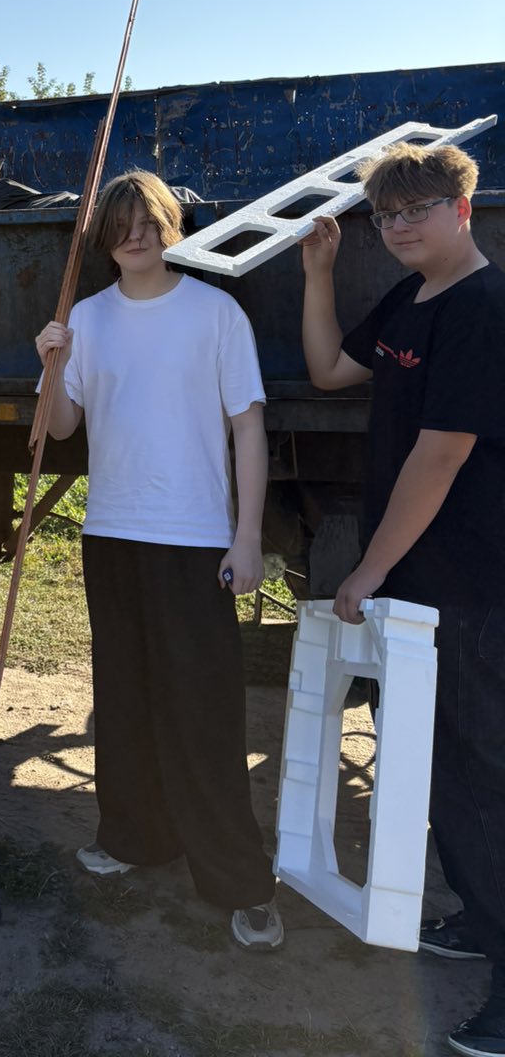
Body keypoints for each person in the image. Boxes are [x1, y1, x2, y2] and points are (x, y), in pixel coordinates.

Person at [35, 170, 283, 950]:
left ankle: (241, 881)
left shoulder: (215, 314)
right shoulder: (85, 318)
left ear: (170, 225)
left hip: (194, 537)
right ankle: (135, 837)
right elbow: (59, 428)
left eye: (147, 222)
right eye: (119, 226)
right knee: (126, 696)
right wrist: (50, 363)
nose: (134, 236)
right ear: (103, 239)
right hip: (110, 532)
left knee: (204, 711)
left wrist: (246, 536)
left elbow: (248, 428)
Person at [300, 141, 505, 1057]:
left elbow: (443, 452)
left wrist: (369, 568)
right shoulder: (412, 298)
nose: (398, 227)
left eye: (417, 209)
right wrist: (320, 272)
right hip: (423, 584)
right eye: (385, 216)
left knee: (481, 776)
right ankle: (481, 918)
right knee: (438, 770)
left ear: (463, 208)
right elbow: (329, 373)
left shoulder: (482, 307)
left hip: (470, 584)